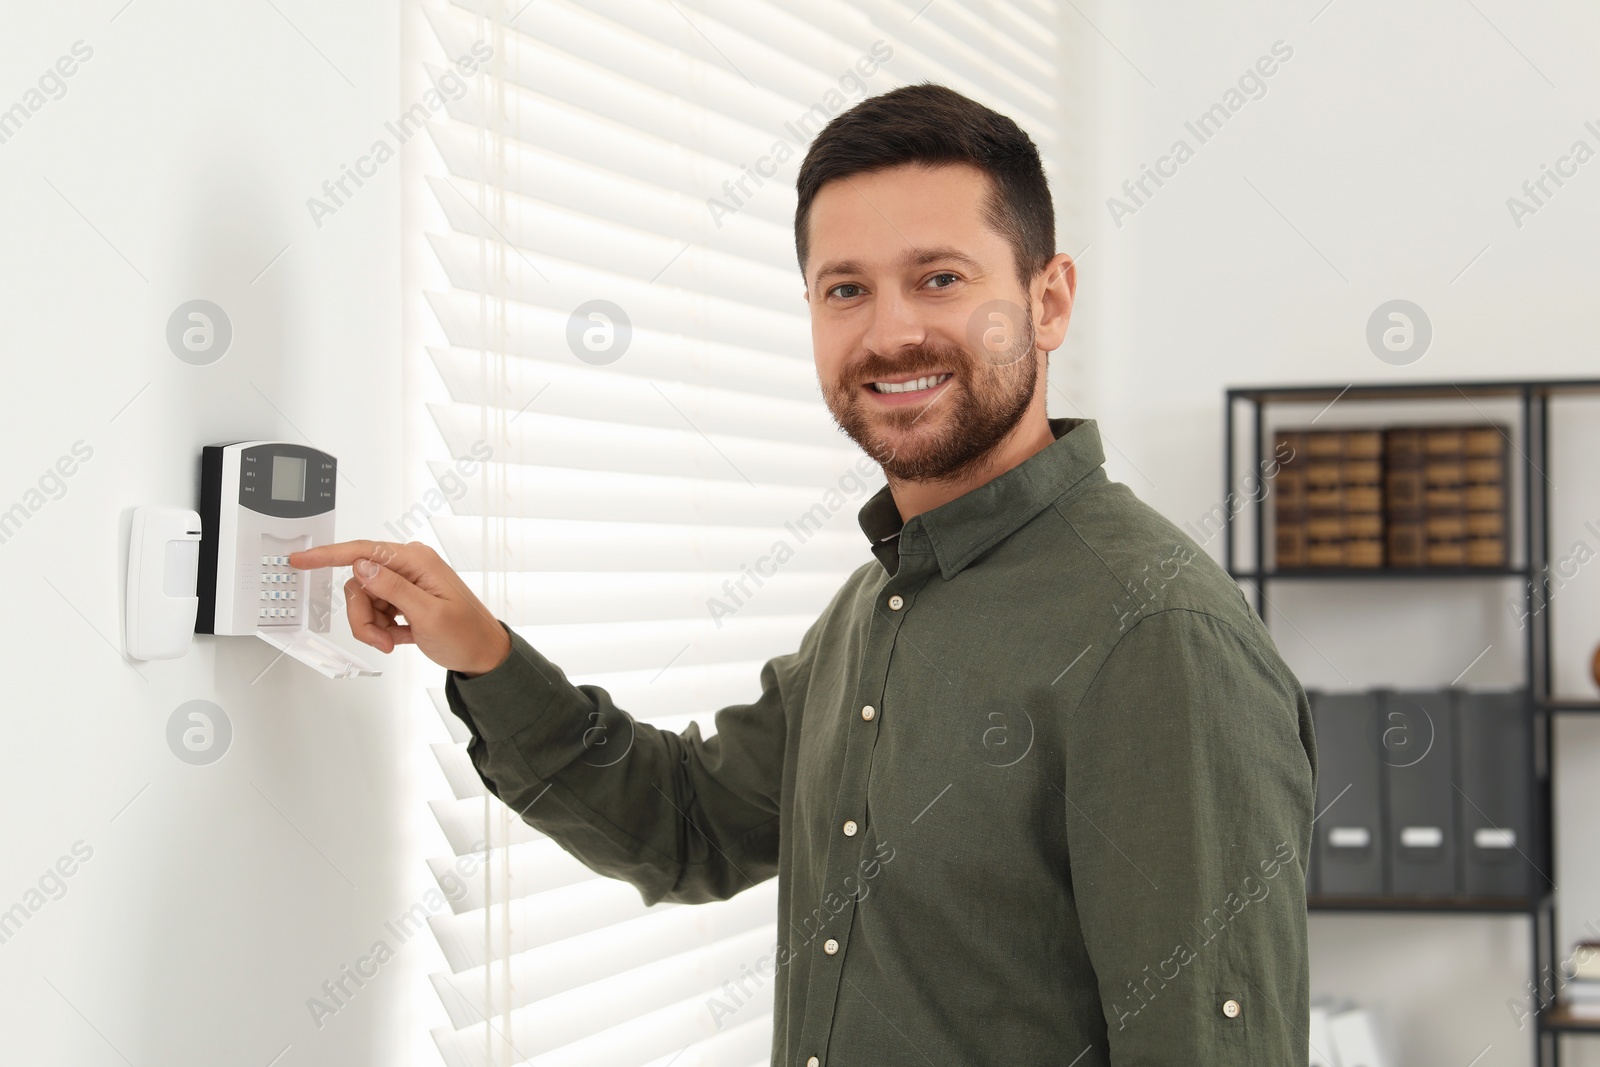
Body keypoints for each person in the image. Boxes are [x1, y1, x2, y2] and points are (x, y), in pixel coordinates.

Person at [292, 83, 1317, 1066]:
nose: (888, 332)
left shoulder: (1159, 633)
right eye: (845, 289)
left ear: (1047, 302)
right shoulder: (876, 607)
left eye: (940, 278)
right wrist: (483, 652)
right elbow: (689, 825)